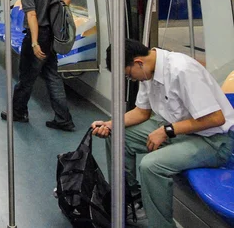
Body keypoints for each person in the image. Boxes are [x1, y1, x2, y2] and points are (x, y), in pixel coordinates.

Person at [92, 39, 234, 227]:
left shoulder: (181, 70)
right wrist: (110, 124)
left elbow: (215, 119)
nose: (132, 80)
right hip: (177, 129)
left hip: (213, 140)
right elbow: (141, 112)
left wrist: (167, 130)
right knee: (117, 138)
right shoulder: (148, 71)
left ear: (138, 62)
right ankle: (132, 200)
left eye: (129, 75)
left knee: (151, 166)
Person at [1, 0, 74, 131]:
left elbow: (32, 14)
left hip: (38, 35)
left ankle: (18, 112)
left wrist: (34, 42)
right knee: (52, 76)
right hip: (50, 36)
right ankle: (63, 119)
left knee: (26, 77)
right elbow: (66, 0)